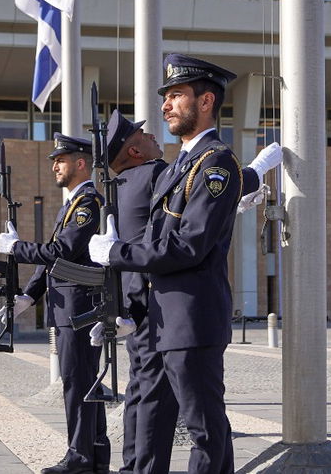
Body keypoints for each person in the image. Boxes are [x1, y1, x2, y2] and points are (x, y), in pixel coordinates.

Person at [89, 54, 265, 474]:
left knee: (204, 429)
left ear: (206, 101)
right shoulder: (179, 167)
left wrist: (116, 253)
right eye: (166, 97)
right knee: (196, 424)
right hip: (167, 317)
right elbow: (156, 238)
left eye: (176, 95)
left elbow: (189, 246)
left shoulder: (215, 163)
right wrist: (124, 305)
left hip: (192, 316)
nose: (166, 105)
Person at [0, 133, 110, 474]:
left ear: (80, 163)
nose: (54, 166)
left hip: (78, 310)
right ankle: (94, 457)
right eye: (53, 161)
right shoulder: (72, 204)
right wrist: (29, 296)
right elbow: (53, 261)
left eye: (60, 160)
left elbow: (60, 252)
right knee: (86, 383)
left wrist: (16, 248)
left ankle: (79, 459)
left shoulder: (87, 203)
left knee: (77, 383)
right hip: (71, 307)